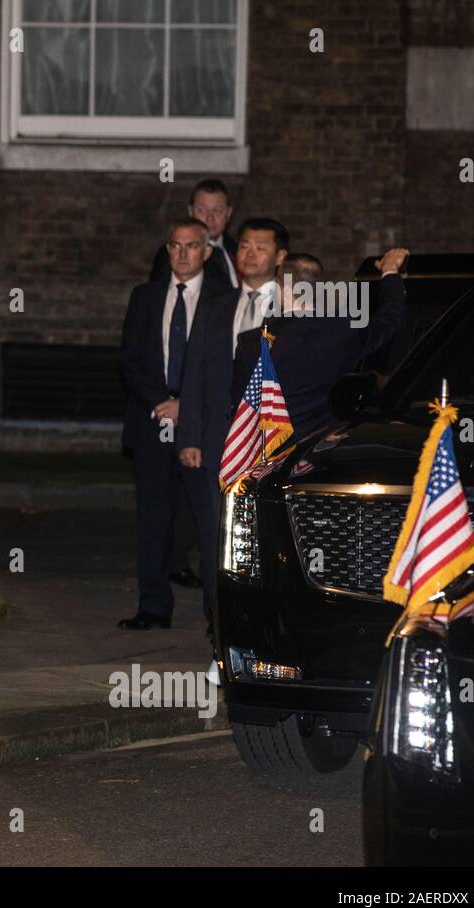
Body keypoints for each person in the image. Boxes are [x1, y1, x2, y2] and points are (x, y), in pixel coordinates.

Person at [176, 218, 289, 636]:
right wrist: (189, 436)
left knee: (268, 536)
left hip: (275, 442)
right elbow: (195, 375)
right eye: (243, 245)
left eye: (261, 246)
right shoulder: (216, 304)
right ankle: (219, 620)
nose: (250, 253)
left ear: (280, 257)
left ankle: (267, 621)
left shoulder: (296, 305)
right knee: (215, 536)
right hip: (218, 441)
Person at [117, 218, 224, 631]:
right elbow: (129, 358)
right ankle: (153, 606)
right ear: (167, 250)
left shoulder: (223, 299)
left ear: (207, 252)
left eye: (192, 246)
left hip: (200, 425)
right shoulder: (144, 296)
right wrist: (161, 401)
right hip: (153, 421)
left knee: (207, 518)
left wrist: (188, 405)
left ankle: (218, 614)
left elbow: (224, 364)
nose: (182, 254)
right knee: (153, 517)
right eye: (176, 246)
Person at [228, 249, 408, 440]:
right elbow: (390, 318)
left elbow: (241, 406)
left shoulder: (251, 343)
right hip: (320, 450)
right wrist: (390, 270)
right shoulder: (344, 331)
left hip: (269, 454)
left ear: (285, 289)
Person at [149, 179, 239, 293]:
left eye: (217, 211)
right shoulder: (172, 253)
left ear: (229, 213)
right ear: (191, 211)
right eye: (202, 210)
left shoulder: (237, 248)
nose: (210, 218)